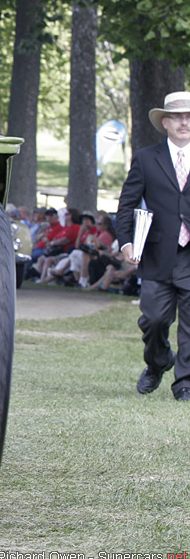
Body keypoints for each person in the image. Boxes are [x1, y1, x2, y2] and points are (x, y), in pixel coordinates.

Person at [115, 91, 190, 401]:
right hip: (157, 254)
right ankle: (158, 362)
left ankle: (184, 384)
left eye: (189, 117)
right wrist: (127, 243)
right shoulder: (147, 158)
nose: (184, 122)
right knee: (155, 320)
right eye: (178, 117)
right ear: (165, 121)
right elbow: (126, 205)